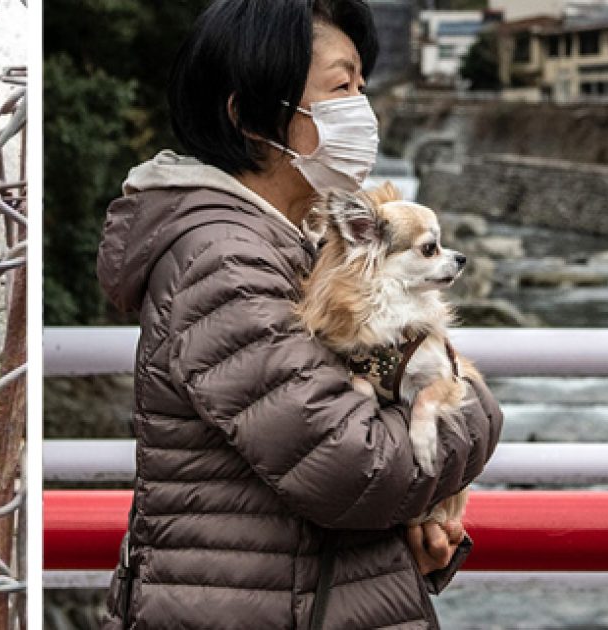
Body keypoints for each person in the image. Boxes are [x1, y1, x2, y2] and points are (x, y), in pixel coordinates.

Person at [95, 1, 504, 628]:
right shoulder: (224, 263)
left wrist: (408, 537)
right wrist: (474, 404)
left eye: (362, 88)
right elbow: (356, 468)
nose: (360, 112)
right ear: (249, 116)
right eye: (340, 88)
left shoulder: (294, 246)